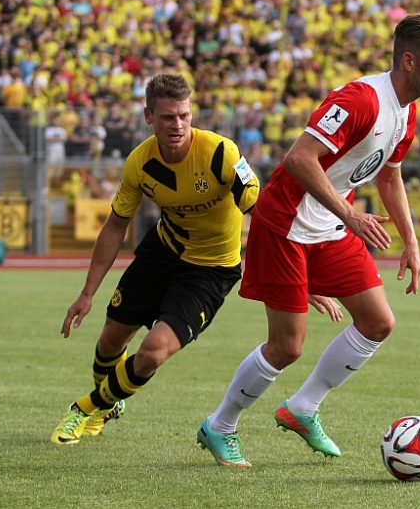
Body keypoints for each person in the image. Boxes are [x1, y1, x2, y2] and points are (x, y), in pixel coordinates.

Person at [197, 13, 420, 466]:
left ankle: (302, 407)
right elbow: (298, 159)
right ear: (410, 61)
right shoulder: (359, 100)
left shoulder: (406, 112)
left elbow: (390, 178)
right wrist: (351, 214)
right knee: (287, 347)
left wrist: (410, 243)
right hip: (287, 226)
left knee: (378, 322)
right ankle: (219, 425)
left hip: (330, 227)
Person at [49, 73, 267, 446]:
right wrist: (87, 293)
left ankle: (86, 408)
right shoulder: (140, 163)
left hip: (211, 270)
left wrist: (296, 272)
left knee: (152, 353)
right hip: (162, 252)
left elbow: (261, 215)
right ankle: (110, 399)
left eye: (184, 115)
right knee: (108, 344)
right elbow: (115, 227)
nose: (177, 125)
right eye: (168, 117)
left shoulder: (222, 153)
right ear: (149, 115)